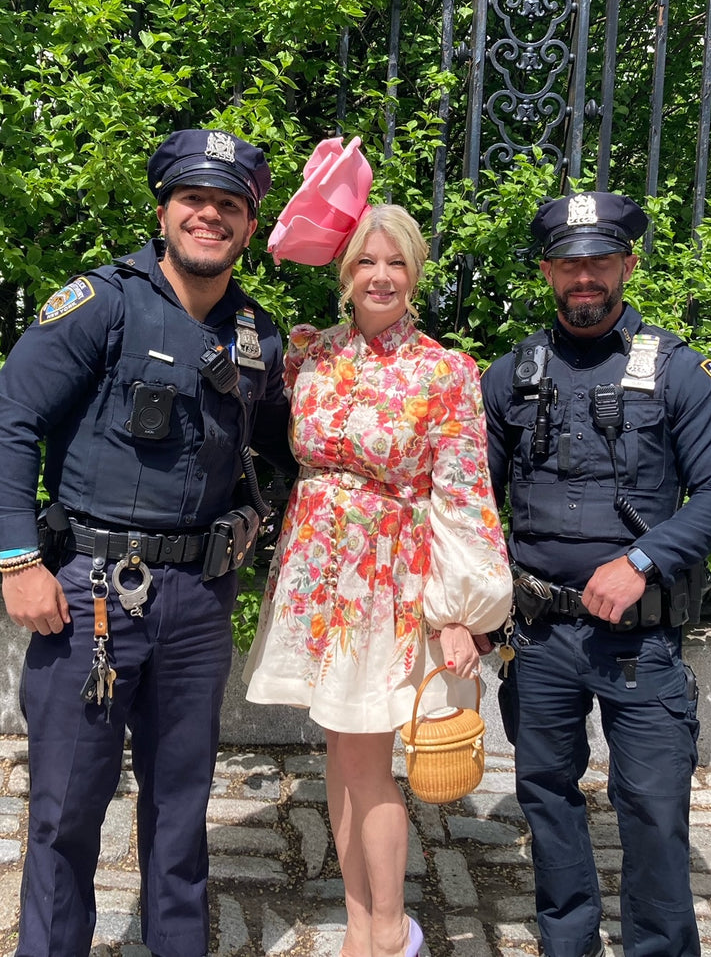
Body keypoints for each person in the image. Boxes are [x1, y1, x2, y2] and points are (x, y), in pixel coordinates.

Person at [0, 128, 294, 957]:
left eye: (229, 205)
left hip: (196, 600)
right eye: (193, 199)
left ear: (248, 227)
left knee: (181, 805)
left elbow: (288, 451)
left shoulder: (258, 336)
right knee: (65, 809)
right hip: (88, 594)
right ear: (164, 210)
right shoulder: (101, 303)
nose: (209, 216)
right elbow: (12, 424)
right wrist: (18, 559)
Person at [479, 191, 711, 957]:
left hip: (638, 640)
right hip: (536, 636)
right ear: (546, 273)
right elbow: (471, 500)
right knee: (546, 798)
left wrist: (640, 561)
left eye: (599, 260)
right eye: (569, 263)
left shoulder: (679, 371)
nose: (584, 277)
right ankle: (567, 943)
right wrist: (469, 603)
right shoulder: (509, 375)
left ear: (627, 265)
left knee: (653, 806)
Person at [244, 203, 512, 957]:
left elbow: (464, 495)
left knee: (366, 762)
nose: (381, 276)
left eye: (396, 262)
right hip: (313, 573)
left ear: (416, 272)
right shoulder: (309, 355)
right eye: (366, 261)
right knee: (340, 751)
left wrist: (461, 611)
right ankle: (363, 919)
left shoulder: (444, 371)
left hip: (388, 583)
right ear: (344, 273)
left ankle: (387, 934)